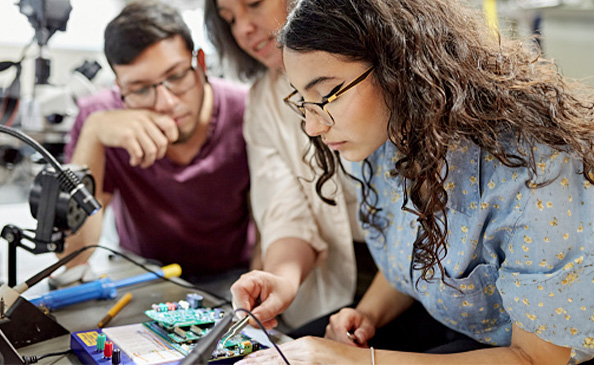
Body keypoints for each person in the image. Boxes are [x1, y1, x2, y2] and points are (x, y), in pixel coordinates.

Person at [236, 0, 594, 363]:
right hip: (453, 325)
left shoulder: (537, 170)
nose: (313, 126)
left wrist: (355, 360)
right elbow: (415, 255)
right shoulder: (387, 138)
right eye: (303, 101)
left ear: (398, 64)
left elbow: (537, 359)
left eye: (326, 94)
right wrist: (368, 315)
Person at [57, 0, 255, 297]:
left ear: (200, 63)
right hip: (139, 275)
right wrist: (93, 134)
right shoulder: (102, 118)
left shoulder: (247, 111)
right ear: (120, 86)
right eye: (140, 89)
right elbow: (74, 255)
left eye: (176, 76)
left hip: (233, 279)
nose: (166, 103)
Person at [204, 0, 376, 330]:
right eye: (229, 19)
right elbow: (285, 209)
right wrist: (279, 280)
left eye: (254, 4)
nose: (243, 29)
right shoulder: (263, 100)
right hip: (338, 280)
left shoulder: (376, 71)